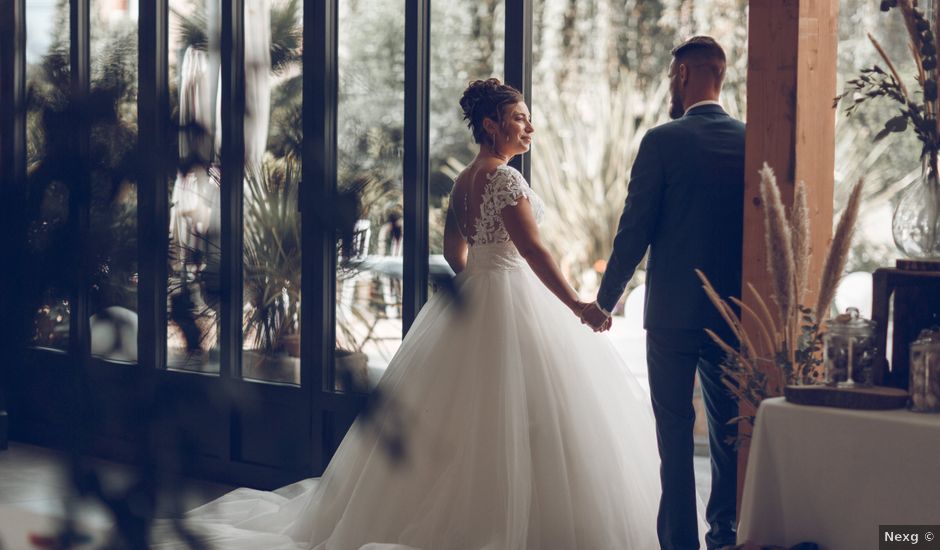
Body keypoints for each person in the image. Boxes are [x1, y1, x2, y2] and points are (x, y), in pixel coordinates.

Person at [153, 77, 705, 550]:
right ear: (491, 125)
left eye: (528, 120)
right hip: (513, 294)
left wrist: (482, 281)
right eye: (519, 119)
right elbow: (535, 253)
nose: (528, 129)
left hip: (477, 299)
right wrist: (580, 305)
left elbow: (455, 255)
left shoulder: (465, 181)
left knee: (465, 419)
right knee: (526, 417)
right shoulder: (506, 179)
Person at [581, 36, 745, 550]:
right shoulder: (749, 139)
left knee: (674, 439)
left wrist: (604, 302)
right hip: (735, 317)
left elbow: (635, 231)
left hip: (673, 316)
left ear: (685, 75)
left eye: (673, 75)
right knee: (728, 437)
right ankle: (725, 537)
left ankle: (679, 545)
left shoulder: (662, 140)